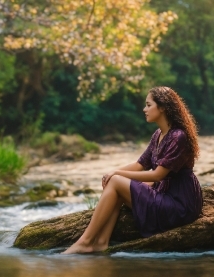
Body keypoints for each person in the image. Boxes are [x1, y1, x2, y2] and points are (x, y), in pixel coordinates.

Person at [63, 86, 202, 254]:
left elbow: (157, 175)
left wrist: (117, 175)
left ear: (163, 107)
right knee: (115, 184)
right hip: (164, 196)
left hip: (180, 205)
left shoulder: (177, 136)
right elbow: (140, 164)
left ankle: (85, 242)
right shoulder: (158, 135)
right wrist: (112, 172)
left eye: (148, 105)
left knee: (116, 181)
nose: (144, 109)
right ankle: (100, 242)